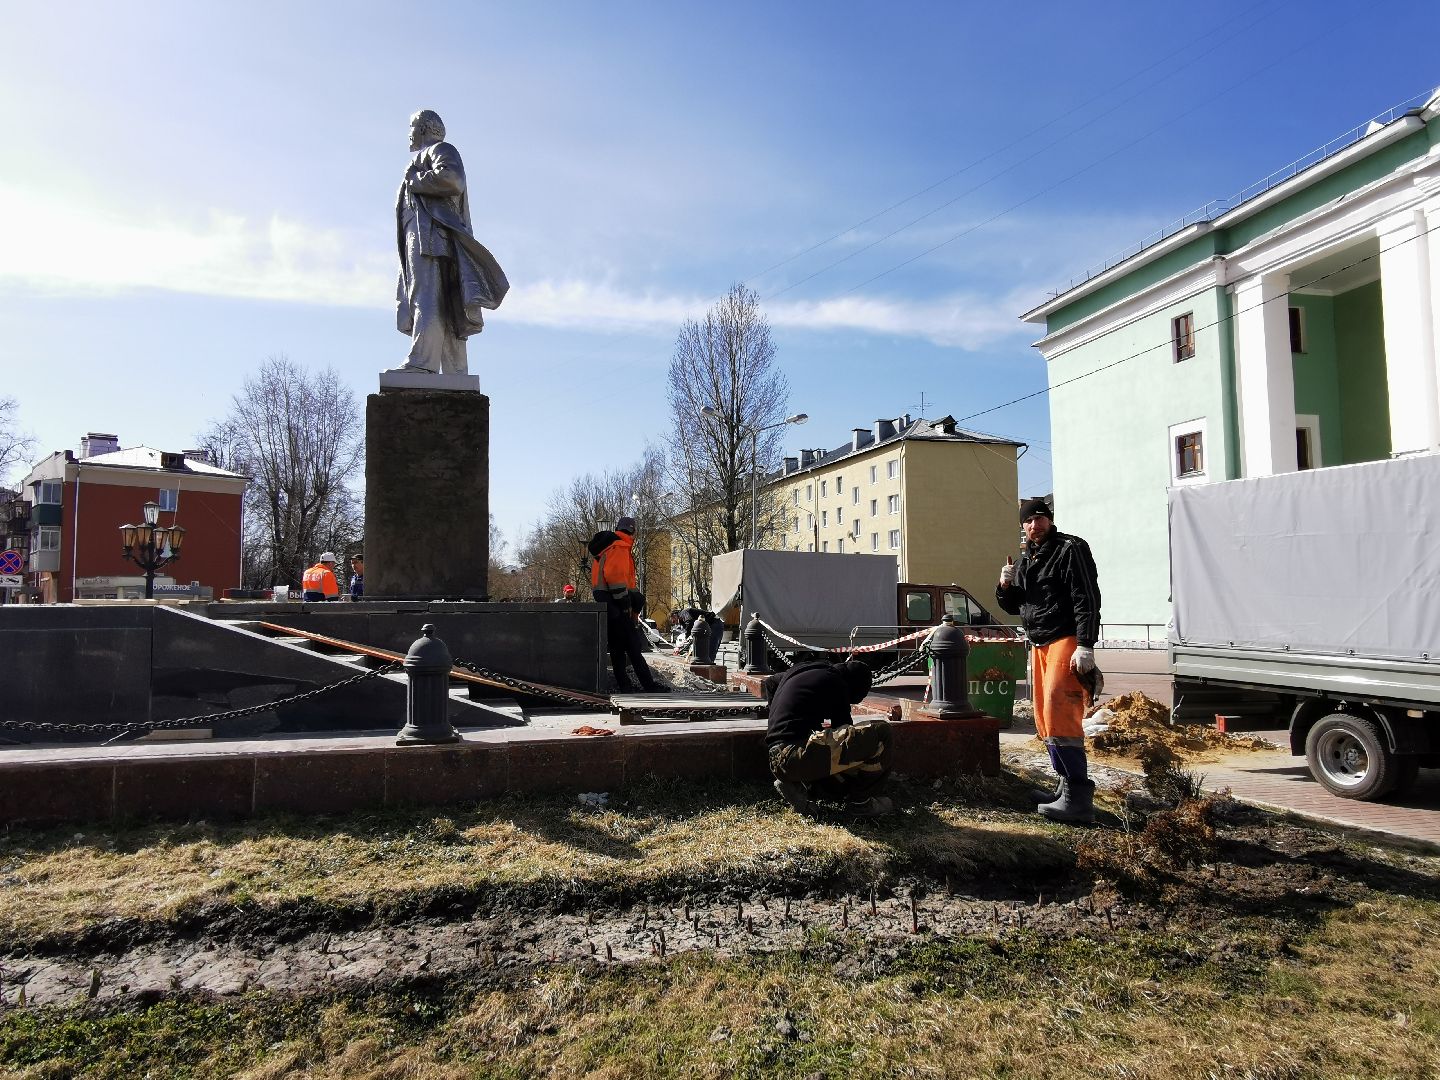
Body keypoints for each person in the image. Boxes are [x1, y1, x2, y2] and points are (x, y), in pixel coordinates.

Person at [995, 498, 1102, 823]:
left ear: (1049, 520)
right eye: (1028, 520)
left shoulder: (1070, 548)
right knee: (1044, 719)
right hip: (1039, 641)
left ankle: (1078, 798)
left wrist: (1085, 644)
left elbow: (1086, 596)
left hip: (1065, 638)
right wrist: (1004, 585)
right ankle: (1064, 786)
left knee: (1060, 713)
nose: (1034, 524)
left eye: (1040, 518)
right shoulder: (1028, 557)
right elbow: (1016, 606)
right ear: (1022, 525)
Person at [390, 109, 509, 376]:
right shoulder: (428, 155)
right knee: (445, 302)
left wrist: (415, 180)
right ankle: (455, 372)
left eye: (411, 127)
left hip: (429, 239)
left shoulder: (439, 150)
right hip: (427, 238)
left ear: (424, 128)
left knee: (426, 297)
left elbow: (452, 179)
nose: (409, 134)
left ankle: (422, 362)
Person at [765, 659, 893, 817]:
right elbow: (846, 734)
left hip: (776, 757)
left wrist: (778, 727)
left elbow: (770, 683)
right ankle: (861, 804)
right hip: (798, 755)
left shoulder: (805, 669)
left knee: (824, 745)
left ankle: (796, 782)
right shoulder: (837, 683)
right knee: (882, 732)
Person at [590, 517, 668, 693]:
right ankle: (649, 686)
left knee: (618, 648)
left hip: (606, 602)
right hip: (615, 603)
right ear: (633, 531)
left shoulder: (608, 547)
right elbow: (616, 579)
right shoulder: (619, 547)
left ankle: (625, 686)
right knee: (633, 646)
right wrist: (625, 605)